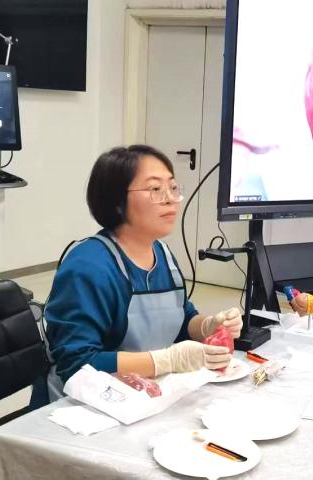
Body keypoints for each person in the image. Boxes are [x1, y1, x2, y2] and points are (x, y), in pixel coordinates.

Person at [31, 145, 243, 407]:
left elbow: (182, 318)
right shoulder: (88, 266)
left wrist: (208, 325)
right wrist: (166, 360)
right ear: (117, 201)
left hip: (141, 396)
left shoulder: (162, 253)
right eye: (155, 189)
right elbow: (77, 363)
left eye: (173, 187)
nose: (170, 199)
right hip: (81, 406)